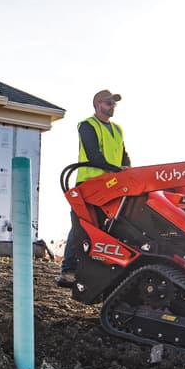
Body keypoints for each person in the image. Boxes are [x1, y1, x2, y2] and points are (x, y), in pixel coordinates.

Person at [58, 89, 131, 287]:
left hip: (111, 186)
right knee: (81, 225)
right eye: (108, 103)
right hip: (89, 185)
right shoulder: (87, 126)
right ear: (98, 104)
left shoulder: (118, 129)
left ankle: (94, 269)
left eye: (114, 103)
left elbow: (124, 155)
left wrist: (127, 170)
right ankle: (68, 271)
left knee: (106, 228)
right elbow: (93, 155)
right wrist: (118, 170)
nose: (112, 106)